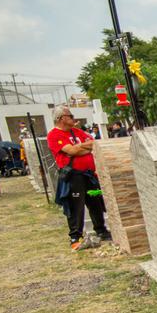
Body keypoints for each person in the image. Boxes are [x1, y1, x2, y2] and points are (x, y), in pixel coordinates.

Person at [47, 106, 110, 250]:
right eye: (70, 115)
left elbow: (93, 144)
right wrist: (78, 149)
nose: (73, 118)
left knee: (95, 201)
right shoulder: (54, 135)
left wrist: (78, 148)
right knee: (76, 205)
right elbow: (71, 150)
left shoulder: (77, 132)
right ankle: (75, 236)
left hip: (88, 174)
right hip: (73, 175)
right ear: (61, 118)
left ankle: (101, 230)